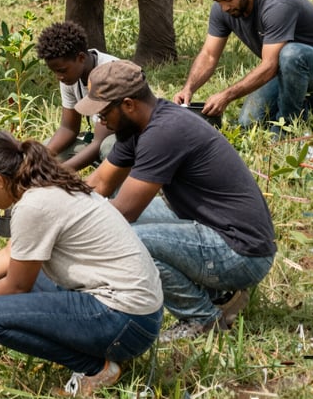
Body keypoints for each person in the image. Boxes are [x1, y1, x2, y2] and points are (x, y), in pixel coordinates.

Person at [0, 130, 163, 397]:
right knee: (33, 276)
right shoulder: (48, 184)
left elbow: (16, 286)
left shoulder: (33, 206)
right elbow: (10, 255)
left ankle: (96, 369)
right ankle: (103, 350)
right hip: (140, 313)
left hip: (125, 320)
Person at [78, 60, 277, 342]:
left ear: (128, 104)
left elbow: (123, 215)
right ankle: (220, 295)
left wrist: (66, 235)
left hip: (242, 253)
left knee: (127, 240)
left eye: (102, 111)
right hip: (215, 229)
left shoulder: (164, 132)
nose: (99, 120)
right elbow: (100, 183)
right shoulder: (138, 126)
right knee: (104, 206)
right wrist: (57, 205)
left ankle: (200, 318)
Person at [174, 0, 313, 134]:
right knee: (248, 122)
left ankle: (287, 127)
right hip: (285, 70)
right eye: (219, 1)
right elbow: (209, 55)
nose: (224, 7)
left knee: (290, 54)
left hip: (306, 64)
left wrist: (227, 95)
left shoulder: (276, 6)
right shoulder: (222, 9)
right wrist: (188, 88)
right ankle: (308, 105)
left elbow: (270, 66)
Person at [35, 21, 117, 170]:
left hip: (125, 143)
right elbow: (69, 128)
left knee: (109, 147)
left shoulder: (109, 73)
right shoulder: (70, 76)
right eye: (55, 72)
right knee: (46, 149)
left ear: (81, 58)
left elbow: (100, 141)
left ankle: (117, 192)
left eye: (62, 70)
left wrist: (61, 173)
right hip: (97, 141)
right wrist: (39, 161)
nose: (58, 77)